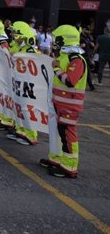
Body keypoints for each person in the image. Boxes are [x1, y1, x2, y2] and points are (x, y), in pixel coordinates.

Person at [40, 25, 89, 178]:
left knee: (68, 135)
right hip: (60, 103)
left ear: (65, 40)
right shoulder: (64, 56)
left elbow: (70, 81)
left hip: (70, 105)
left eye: (57, 39)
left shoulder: (77, 59)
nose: (55, 41)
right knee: (60, 132)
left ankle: (70, 167)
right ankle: (57, 159)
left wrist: (56, 69)